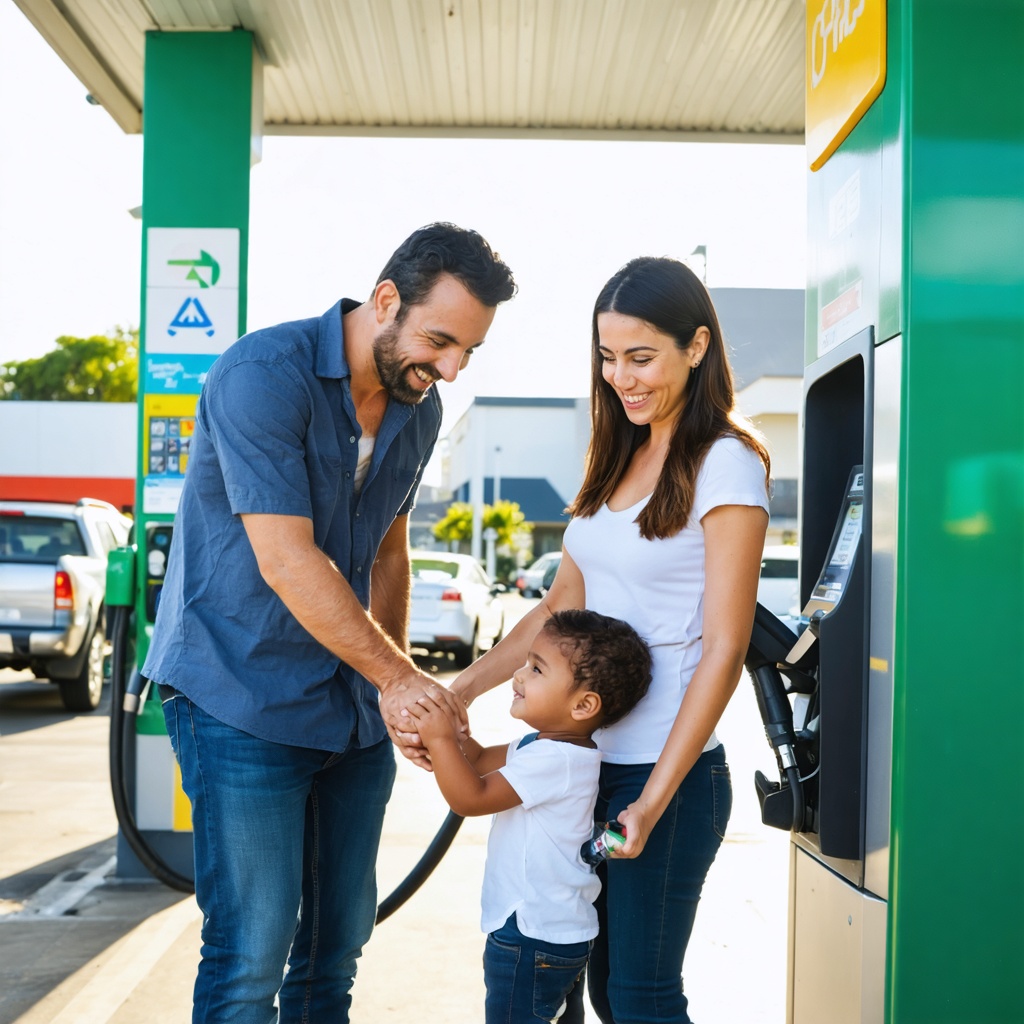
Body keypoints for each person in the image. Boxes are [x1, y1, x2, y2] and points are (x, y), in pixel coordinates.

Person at [142, 222, 516, 1024]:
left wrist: (398, 688)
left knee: (337, 944)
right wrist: (400, 680)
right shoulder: (261, 376)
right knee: (253, 948)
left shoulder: (419, 408)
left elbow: (388, 552)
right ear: (386, 300)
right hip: (238, 697)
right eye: (440, 340)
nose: (449, 368)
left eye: (468, 353)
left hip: (348, 714)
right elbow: (287, 559)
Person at [437, 256, 771, 1023]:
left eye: (642, 356)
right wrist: (463, 689)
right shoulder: (616, 455)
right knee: (595, 988)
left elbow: (724, 645)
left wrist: (653, 802)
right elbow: (558, 608)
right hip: (582, 764)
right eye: (608, 356)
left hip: (665, 776)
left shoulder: (725, 463)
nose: (623, 377)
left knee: (640, 995)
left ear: (696, 347)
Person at [405, 609, 652, 1024]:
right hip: (554, 934)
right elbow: (481, 760)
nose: (518, 675)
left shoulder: (555, 760)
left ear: (584, 704)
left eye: (536, 668)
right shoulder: (546, 746)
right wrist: (449, 733)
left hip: (531, 937)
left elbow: (471, 797)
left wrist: (441, 738)